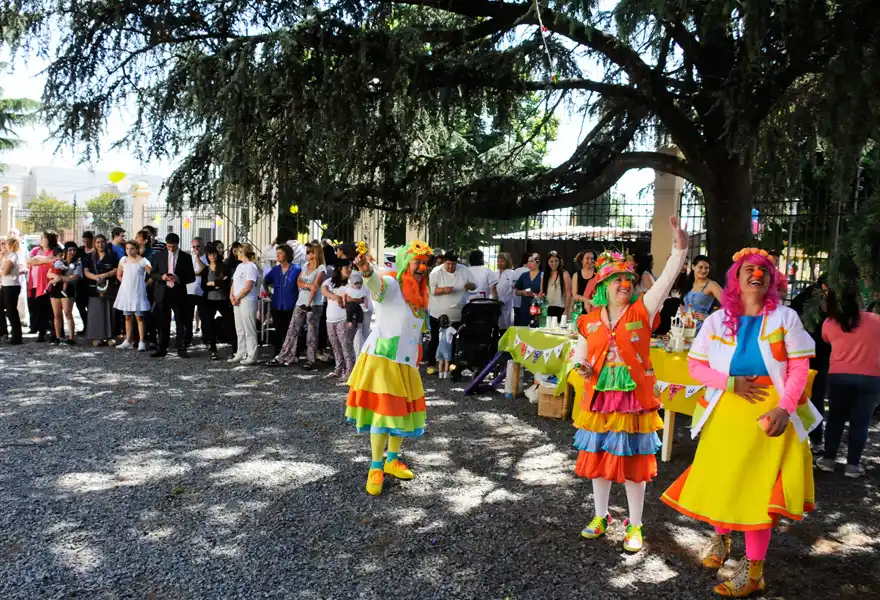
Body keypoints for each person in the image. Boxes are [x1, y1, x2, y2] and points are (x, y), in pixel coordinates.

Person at [661, 247, 820, 598]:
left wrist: (784, 408)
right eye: (748, 269)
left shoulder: (786, 318)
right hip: (726, 409)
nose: (756, 275)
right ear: (736, 278)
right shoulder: (717, 320)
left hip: (769, 413)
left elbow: (799, 368)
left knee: (756, 491)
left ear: (771, 279)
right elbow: (696, 366)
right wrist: (729, 383)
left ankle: (753, 571)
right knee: (723, 479)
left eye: (762, 270)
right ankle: (721, 538)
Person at [572, 217, 688, 554]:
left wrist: (680, 250)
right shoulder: (588, 320)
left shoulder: (643, 310)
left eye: (628, 279)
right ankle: (600, 516)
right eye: (617, 280)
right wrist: (581, 366)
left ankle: (634, 524)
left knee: (634, 463)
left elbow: (665, 282)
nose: (624, 284)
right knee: (598, 459)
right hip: (598, 400)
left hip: (634, 400)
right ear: (604, 285)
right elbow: (580, 355)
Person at [346, 240, 432, 496]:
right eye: (417, 263)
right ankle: (375, 466)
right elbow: (376, 286)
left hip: (405, 362)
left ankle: (392, 460)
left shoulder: (419, 294)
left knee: (400, 413)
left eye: (425, 263)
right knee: (383, 414)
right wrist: (366, 270)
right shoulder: (393, 285)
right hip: (383, 360)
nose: (422, 268)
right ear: (406, 263)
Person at [815, 273, 880, 478]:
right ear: (859, 299)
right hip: (871, 377)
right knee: (861, 422)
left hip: (839, 376)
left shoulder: (829, 323)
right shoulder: (876, 321)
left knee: (835, 418)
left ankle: (828, 459)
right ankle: (853, 465)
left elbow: (826, 340)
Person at [790, 274, 831, 453]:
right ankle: (812, 438)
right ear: (824, 285)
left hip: (805, 355)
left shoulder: (802, 298)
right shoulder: (813, 300)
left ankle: (805, 437)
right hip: (814, 356)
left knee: (803, 396)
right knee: (811, 397)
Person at [269, 242, 326, 369]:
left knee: (311, 332)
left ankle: (310, 359)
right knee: (292, 330)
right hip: (300, 302)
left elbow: (315, 287)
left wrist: (309, 302)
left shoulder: (321, 269)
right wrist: (307, 285)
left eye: (309, 252)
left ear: (316, 254)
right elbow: (299, 282)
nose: (307, 254)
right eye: (307, 252)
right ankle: (284, 356)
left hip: (314, 304)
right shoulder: (305, 266)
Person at [426, 252, 476, 372]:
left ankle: (452, 364)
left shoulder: (464, 270)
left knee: (455, 339)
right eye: (448, 264)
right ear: (444, 262)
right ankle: (431, 363)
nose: (450, 267)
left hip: (458, 312)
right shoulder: (436, 272)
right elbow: (432, 290)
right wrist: (443, 290)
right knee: (435, 338)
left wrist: (470, 285)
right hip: (438, 312)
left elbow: (474, 285)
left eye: (453, 264)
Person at [149, 233, 196, 358]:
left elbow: (191, 277)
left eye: (173, 247)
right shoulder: (159, 255)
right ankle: (162, 348)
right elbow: (152, 273)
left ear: (178, 244)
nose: (171, 249)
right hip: (163, 291)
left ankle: (181, 348)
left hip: (178, 292)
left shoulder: (185, 257)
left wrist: (178, 278)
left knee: (181, 321)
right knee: (163, 322)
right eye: (169, 246)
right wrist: (162, 277)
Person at [262, 244, 300, 356]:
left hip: (291, 304)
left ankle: (293, 353)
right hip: (277, 304)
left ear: (287, 254)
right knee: (278, 330)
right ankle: (278, 353)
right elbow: (265, 280)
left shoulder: (296, 269)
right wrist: (268, 293)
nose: (277, 255)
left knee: (292, 330)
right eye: (277, 253)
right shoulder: (275, 270)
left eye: (280, 253)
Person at [113, 241, 152, 351]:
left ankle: (141, 341)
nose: (129, 251)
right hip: (127, 292)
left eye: (132, 249)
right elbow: (119, 274)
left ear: (137, 249)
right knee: (127, 316)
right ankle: (128, 340)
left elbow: (152, 274)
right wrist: (125, 283)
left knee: (139, 317)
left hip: (138, 291)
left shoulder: (143, 261)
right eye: (127, 249)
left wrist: (145, 284)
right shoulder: (123, 260)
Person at [322, 261, 357, 379]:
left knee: (346, 346)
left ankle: (350, 372)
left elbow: (357, 297)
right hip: (330, 319)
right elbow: (324, 290)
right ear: (339, 268)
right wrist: (335, 297)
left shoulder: (352, 282)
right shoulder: (330, 281)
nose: (349, 269)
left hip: (345, 318)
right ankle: (339, 369)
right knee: (335, 346)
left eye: (351, 267)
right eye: (346, 267)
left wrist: (345, 299)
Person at [83, 234, 120, 346]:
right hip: (94, 288)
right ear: (94, 243)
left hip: (109, 287)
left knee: (109, 312)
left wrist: (105, 275)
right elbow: (85, 271)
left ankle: (110, 337)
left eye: (102, 242)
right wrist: (96, 277)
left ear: (106, 243)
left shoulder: (112, 255)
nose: (100, 244)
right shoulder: (89, 257)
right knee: (96, 312)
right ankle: (97, 337)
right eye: (98, 242)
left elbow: (117, 269)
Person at [201, 243, 236, 360]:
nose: (212, 256)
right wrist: (217, 285)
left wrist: (213, 283)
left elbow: (226, 282)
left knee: (230, 322)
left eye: (214, 254)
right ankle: (213, 349)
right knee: (209, 323)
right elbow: (203, 286)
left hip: (223, 299)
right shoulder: (206, 270)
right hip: (209, 300)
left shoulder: (224, 267)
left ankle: (235, 348)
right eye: (210, 254)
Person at [228, 243, 260, 365]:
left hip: (247, 300)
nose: (237, 254)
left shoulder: (251, 266)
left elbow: (248, 286)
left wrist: (237, 297)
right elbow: (234, 283)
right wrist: (232, 295)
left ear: (244, 253)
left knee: (249, 328)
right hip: (237, 299)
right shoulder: (239, 266)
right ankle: (241, 352)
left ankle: (252, 355)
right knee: (240, 328)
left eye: (239, 251)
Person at [680, 255, 724, 328]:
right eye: (700, 267)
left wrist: (708, 317)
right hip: (684, 326)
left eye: (706, 268)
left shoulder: (712, 285)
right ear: (693, 267)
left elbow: (729, 305)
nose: (703, 271)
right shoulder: (689, 283)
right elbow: (682, 305)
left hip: (702, 327)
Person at [0, 237, 23, 344]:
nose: (3, 246)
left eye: (5, 244)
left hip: (11, 286)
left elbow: (5, 272)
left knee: (11, 311)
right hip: (5, 285)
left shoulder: (13, 256)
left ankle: (17, 336)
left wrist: (2, 270)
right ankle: (3, 332)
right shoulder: (8, 256)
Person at [540, 250, 572, 320]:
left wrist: (566, 310)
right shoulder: (545, 276)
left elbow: (569, 294)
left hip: (561, 308)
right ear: (547, 262)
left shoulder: (564, 274)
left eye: (556, 261)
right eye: (551, 261)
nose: (554, 263)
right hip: (547, 309)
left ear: (560, 261)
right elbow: (541, 293)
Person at [513, 253, 542, 326]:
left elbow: (546, 294)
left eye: (532, 261)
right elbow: (516, 292)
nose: (529, 263)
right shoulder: (524, 275)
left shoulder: (542, 276)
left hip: (538, 310)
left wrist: (534, 295)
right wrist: (523, 292)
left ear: (538, 263)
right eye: (528, 261)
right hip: (524, 310)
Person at [491, 252, 516, 331]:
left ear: (507, 262)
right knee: (496, 325)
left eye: (502, 261)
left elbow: (512, 289)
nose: (499, 263)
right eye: (498, 261)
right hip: (495, 302)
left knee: (506, 325)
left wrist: (503, 301)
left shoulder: (512, 273)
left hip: (507, 303)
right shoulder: (494, 273)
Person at [436, 314, 456, 382]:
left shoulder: (440, 329)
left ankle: (440, 376)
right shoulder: (450, 329)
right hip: (447, 348)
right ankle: (445, 376)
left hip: (439, 348)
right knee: (446, 362)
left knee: (440, 362)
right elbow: (456, 333)